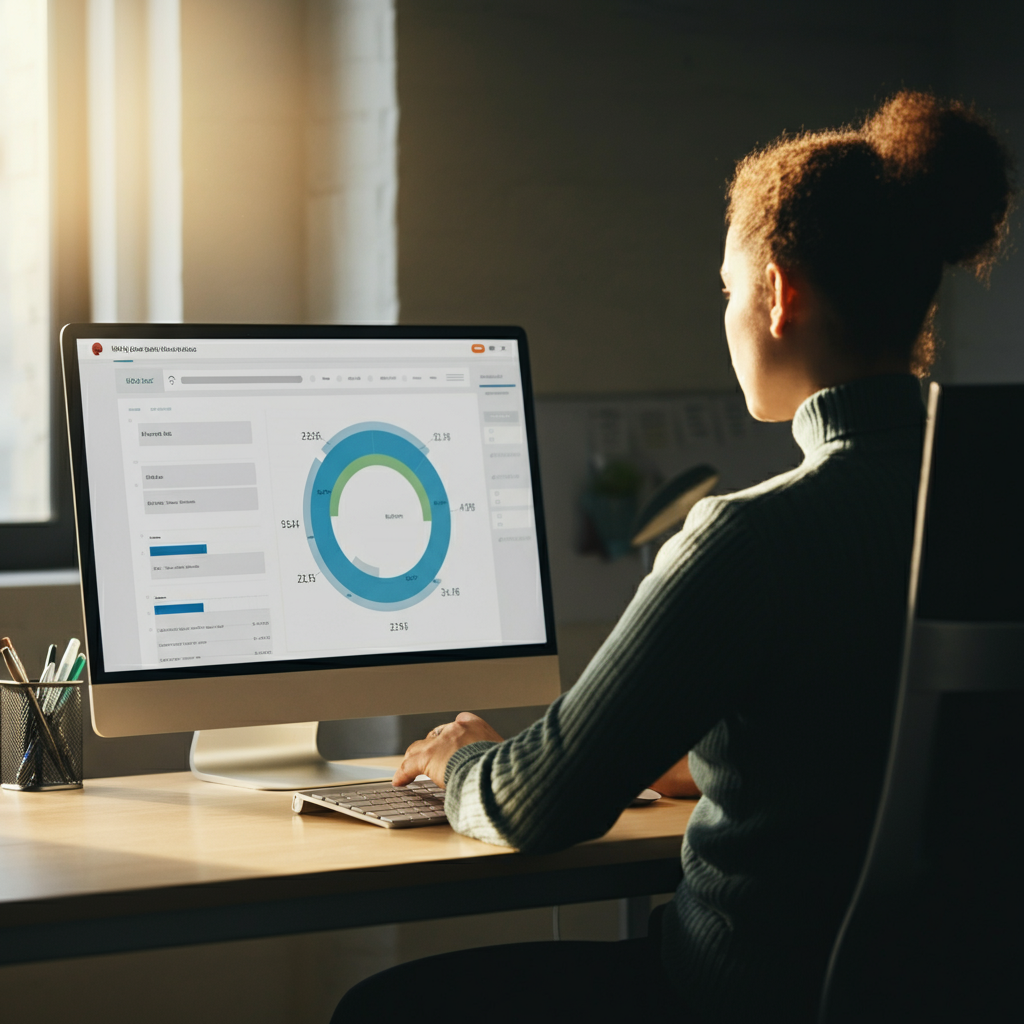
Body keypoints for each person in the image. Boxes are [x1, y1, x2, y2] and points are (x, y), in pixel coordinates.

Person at [331, 92, 1013, 1024]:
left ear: (779, 295)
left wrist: (462, 761)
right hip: (960, 994)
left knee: (383, 1010)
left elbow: (540, 803)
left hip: (745, 995)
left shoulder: (751, 539)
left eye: (727, 288)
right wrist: (730, 755)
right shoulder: (996, 505)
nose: (727, 312)